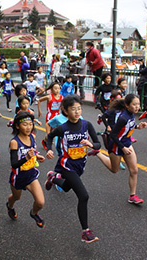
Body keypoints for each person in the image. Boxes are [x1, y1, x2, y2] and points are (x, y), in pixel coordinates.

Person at [45, 95, 101, 243]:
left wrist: (91, 145)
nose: (77, 112)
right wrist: (49, 150)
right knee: (83, 196)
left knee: (67, 187)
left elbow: (98, 144)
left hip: (80, 165)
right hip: (66, 166)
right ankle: (85, 231)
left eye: (79, 109)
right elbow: (49, 137)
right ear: (65, 110)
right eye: (73, 109)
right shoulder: (63, 128)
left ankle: (52, 178)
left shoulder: (86, 125)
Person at [93, 94, 147, 204]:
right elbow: (113, 134)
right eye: (134, 104)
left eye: (138, 104)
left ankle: (132, 196)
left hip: (127, 144)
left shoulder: (131, 114)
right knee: (114, 170)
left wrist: (138, 126)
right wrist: (122, 148)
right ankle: (97, 153)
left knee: (134, 170)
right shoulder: (123, 117)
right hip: (116, 145)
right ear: (127, 106)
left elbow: (127, 128)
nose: (137, 107)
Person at [6, 112, 46, 228]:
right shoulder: (14, 142)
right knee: (16, 197)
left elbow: (33, 151)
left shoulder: (32, 137)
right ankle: (10, 206)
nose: (29, 127)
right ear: (17, 126)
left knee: (40, 202)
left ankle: (34, 213)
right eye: (25, 124)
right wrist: (26, 158)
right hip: (18, 177)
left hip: (31, 175)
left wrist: (37, 156)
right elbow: (14, 164)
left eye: (30, 124)